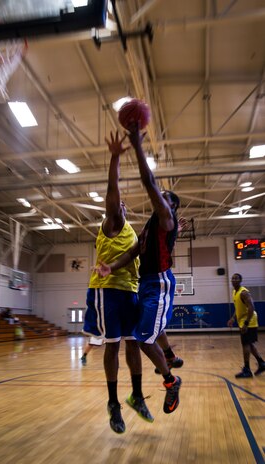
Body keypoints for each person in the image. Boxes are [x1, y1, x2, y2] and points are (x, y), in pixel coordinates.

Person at [96, 123, 183, 416]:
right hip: (140, 284)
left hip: (157, 283)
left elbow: (149, 182)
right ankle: (165, 363)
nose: (162, 197)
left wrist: (137, 145)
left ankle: (170, 380)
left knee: (143, 338)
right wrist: (111, 266)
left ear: (170, 207)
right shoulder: (147, 228)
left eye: (166, 197)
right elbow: (133, 252)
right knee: (138, 337)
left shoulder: (165, 218)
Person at [83, 130, 154, 435]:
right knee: (112, 346)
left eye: (124, 207)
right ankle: (114, 403)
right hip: (106, 292)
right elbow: (113, 191)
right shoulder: (111, 223)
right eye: (118, 205)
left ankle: (137, 394)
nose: (121, 206)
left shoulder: (133, 235)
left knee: (133, 344)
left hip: (131, 291)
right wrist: (115, 157)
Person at [227, 273, 265, 378]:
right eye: (233, 278)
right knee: (250, 344)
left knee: (246, 345)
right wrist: (233, 318)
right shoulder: (235, 292)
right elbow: (238, 307)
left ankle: (247, 369)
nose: (234, 280)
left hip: (250, 321)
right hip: (243, 321)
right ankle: (261, 363)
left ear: (240, 280)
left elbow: (251, 307)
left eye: (236, 278)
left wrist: (246, 323)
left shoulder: (244, 292)